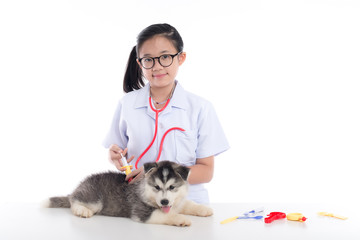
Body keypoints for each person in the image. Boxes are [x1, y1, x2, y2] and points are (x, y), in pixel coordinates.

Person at [103, 23, 229, 204]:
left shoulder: (200, 108)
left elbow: (206, 171)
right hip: (140, 204)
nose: (157, 66)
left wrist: (153, 175)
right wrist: (114, 156)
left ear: (181, 58)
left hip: (188, 205)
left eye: (165, 57)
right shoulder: (127, 104)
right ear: (139, 63)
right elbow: (117, 151)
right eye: (148, 60)